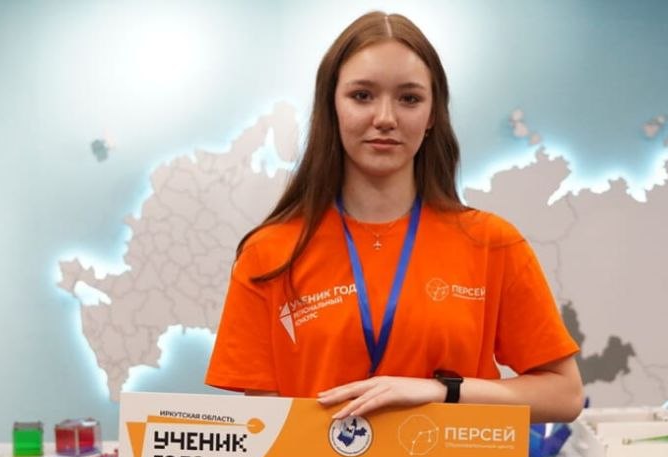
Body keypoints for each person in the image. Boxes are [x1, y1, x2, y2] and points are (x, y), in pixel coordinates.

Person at [205, 11, 583, 423]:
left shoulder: (492, 242)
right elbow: (264, 430)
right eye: (362, 95)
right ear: (332, 107)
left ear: (432, 115)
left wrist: (441, 391)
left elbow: (564, 395)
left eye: (409, 99)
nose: (385, 118)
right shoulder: (270, 254)